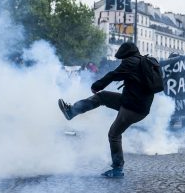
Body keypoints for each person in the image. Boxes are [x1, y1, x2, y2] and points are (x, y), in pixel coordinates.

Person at [57, 42, 155, 178]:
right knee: (102, 97)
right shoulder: (145, 62)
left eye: (122, 58)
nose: (122, 61)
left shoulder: (131, 62)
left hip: (133, 107)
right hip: (137, 104)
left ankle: (117, 169)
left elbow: (113, 74)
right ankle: (71, 111)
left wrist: (97, 85)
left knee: (114, 134)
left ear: (126, 54)